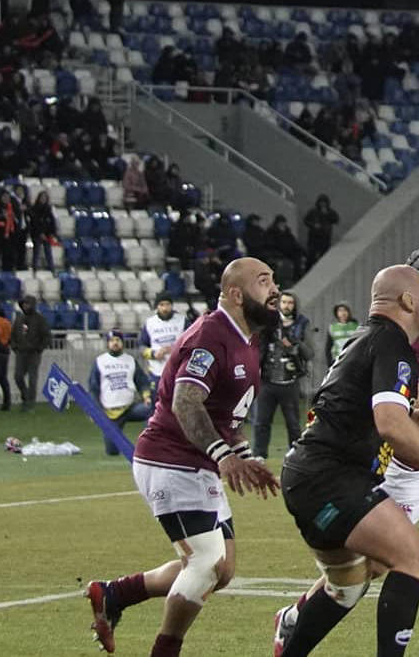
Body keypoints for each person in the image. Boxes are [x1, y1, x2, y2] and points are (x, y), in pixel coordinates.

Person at [272, 265, 419, 657]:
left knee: (348, 585)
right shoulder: (394, 345)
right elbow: (392, 426)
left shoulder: (370, 339)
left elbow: (399, 420)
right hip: (330, 477)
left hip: (310, 476)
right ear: (409, 301)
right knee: (412, 558)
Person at [87, 258, 284, 657]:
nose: (275, 289)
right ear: (235, 293)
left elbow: (226, 415)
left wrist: (243, 454)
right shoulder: (212, 334)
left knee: (222, 569)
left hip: (197, 464)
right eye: (264, 282)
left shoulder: (247, 338)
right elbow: (186, 402)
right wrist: (224, 456)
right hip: (171, 461)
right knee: (206, 563)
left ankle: (114, 595)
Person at [254, 293, 311, 459]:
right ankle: (259, 455)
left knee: (293, 424)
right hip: (267, 380)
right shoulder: (267, 323)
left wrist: (295, 344)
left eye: (290, 302)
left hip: (290, 381)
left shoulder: (302, 324)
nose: (287, 305)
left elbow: (310, 353)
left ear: (295, 305)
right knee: (261, 421)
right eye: (284, 302)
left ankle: (294, 454)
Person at [90, 331, 154, 455]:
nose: (115, 343)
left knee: (152, 410)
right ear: (107, 343)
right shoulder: (99, 362)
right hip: (110, 412)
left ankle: (149, 445)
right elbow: (93, 388)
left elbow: (142, 382)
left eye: (118, 340)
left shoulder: (130, 360)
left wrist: (146, 397)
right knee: (112, 451)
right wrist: (95, 411)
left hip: (130, 408)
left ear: (122, 343)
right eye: (112, 340)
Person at [11, 293, 51, 411]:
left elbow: (47, 336)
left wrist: (39, 348)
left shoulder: (40, 319)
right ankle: (25, 396)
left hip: (34, 353)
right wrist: (15, 347)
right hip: (20, 352)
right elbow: (13, 335)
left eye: (28, 304)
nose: (25, 306)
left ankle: (30, 403)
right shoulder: (19, 319)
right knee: (18, 377)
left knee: (32, 379)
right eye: (24, 304)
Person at [142, 296, 188, 381]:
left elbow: (192, 342)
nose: (165, 308)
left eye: (167, 304)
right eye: (161, 305)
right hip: (157, 372)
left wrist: (176, 349)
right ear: (157, 307)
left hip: (178, 371)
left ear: (172, 305)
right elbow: (142, 347)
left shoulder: (182, 321)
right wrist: (153, 354)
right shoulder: (150, 323)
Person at [28, 190, 58, 271]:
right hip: (37, 234)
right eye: (42, 197)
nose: (43, 199)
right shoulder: (34, 208)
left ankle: (51, 268)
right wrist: (40, 233)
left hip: (47, 234)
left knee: (48, 252)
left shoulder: (49, 209)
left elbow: (52, 222)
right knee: (36, 252)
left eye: (45, 197)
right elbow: (34, 222)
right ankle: (35, 268)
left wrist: (52, 233)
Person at [304, 195, 340, 261]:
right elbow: (306, 221)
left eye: (324, 203)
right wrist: (313, 225)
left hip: (325, 237)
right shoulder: (313, 211)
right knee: (311, 255)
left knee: (324, 256)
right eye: (321, 203)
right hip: (313, 237)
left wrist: (327, 214)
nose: (323, 204)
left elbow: (336, 220)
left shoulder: (330, 212)